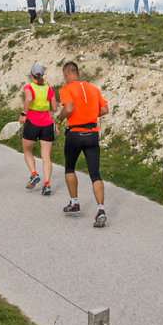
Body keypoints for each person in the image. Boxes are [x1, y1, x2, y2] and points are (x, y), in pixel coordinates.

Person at [55, 61, 110, 228]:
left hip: (75, 134)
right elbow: (105, 109)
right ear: (77, 73)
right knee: (95, 173)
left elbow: (69, 108)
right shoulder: (93, 88)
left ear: (66, 74)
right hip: (92, 133)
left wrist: (59, 118)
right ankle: (101, 210)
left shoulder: (66, 89)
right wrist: (90, 114)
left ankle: (74, 202)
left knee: (70, 167)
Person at [19, 64, 57, 195]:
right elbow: (55, 108)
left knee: (27, 150)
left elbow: (29, 98)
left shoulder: (29, 87)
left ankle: (34, 173)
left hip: (32, 121)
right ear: (43, 74)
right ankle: (47, 183)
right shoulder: (48, 89)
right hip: (47, 123)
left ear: (31, 74)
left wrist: (23, 114)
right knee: (46, 156)